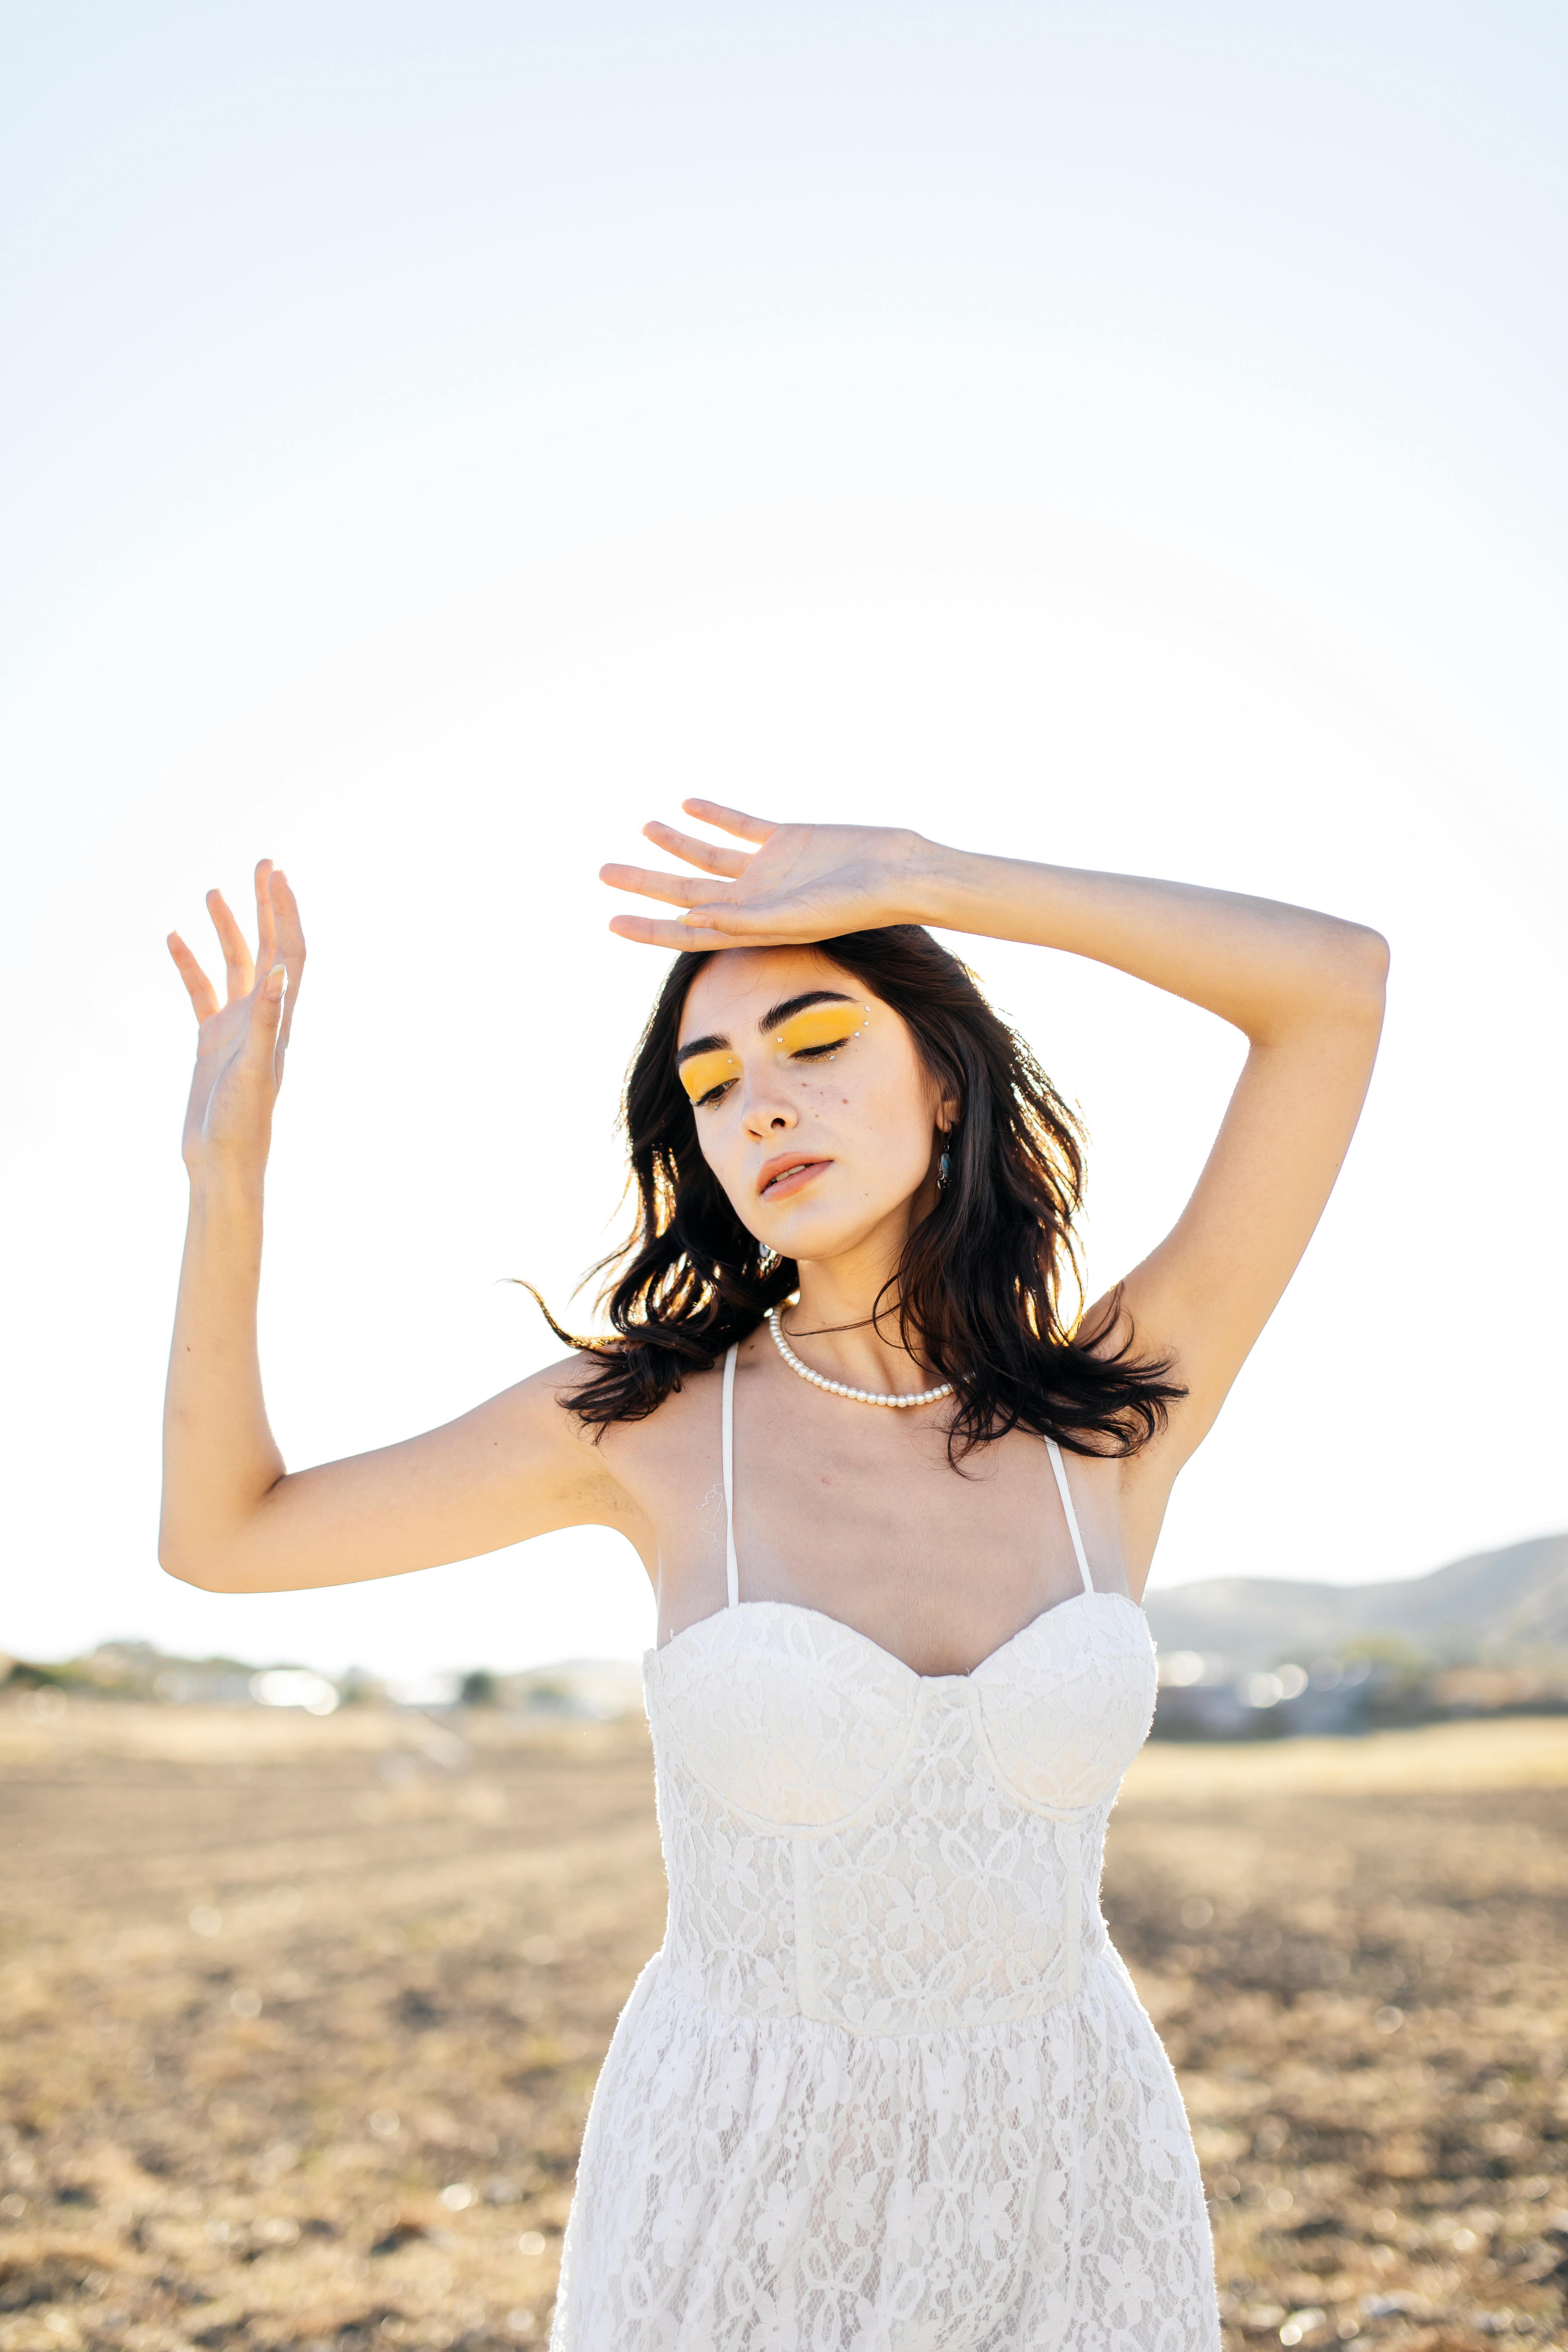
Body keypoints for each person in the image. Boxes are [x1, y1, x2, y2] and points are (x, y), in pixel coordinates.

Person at [162, 804, 1388, 2351]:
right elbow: (228, 1537)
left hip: (1069, 2161)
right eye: (715, 1082)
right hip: (742, 2176)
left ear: (943, 1079)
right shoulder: (650, 1425)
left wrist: (936, 878)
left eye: (816, 1042)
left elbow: (1334, 987)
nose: (761, 1109)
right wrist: (228, 1174)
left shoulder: (1116, 1409)